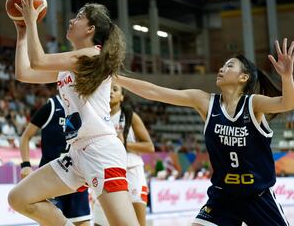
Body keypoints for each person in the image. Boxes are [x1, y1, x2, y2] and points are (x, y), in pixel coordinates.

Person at [115, 39, 293, 226]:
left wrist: (287, 76)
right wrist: (113, 77)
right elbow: (154, 91)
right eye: (223, 65)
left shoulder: (253, 104)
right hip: (223, 195)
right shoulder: (205, 102)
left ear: (244, 77)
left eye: (229, 65)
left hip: (257, 196)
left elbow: (287, 103)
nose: (222, 69)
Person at [8, 0, 139, 226]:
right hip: (77, 153)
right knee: (19, 198)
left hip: (101, 151)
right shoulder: (68, 65)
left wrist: (31, 20)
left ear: (90, 29)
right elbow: (24, 73)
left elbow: (38, 60)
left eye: (79, 17)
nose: (71, 20)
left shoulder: (93, 54)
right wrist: (22, 33)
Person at [19, 95, 91, 225]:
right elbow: (25, 137)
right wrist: (25, 164)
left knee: (82, 221)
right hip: (51, 176)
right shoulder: (51, 107)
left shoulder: (86, 107)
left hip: (76, 174)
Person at [93, 82, 154, 226]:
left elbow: (149, 147)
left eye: (115, 89)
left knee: (138, 223)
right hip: (106, 173)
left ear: (122, 97)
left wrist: (125, 143)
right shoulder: (96, 116)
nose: (110, 92)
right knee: (100, 222)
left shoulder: (130, 116)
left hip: (132, 171)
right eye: (107, 89)